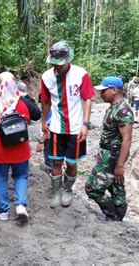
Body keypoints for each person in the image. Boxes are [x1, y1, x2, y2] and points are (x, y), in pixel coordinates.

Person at [40, 40, 95, 209]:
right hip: (56, 127)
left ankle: (67, 189)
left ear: (68, 60)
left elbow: (87, 99)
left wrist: (85, 124)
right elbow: (46, 102)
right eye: (55, 64)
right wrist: (43, 122)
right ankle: (56, 192)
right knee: (55, 162)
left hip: (76, 128)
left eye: (61, 65)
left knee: (71, 163)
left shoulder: (81, 74)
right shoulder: (46, 77)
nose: (58, 68)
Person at [0, 72, 41, 222]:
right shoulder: (23, 102)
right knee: (21, 176)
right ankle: (20, 205)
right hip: (20, 147)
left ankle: (3, 211)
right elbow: (37, 114)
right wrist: (25, 96)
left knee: (0, 178)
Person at [86, 76, 134, 221]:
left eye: (104, 91)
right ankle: (118, 213)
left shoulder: (123, 111)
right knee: (115, 185)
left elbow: (127, 139)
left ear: (114, 90)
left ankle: (112, 213)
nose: (101, 94)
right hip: (107, 153)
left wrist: (119, 165)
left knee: (92, 188)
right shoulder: (114, 108)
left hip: (112, 155)